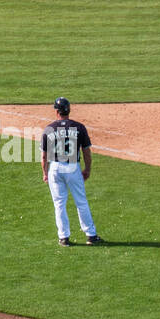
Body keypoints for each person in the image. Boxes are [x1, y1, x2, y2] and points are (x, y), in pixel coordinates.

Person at [42, 97, 102, 247]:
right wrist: (87, 169)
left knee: (59, 204)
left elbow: (44, 156)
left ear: (57, 112)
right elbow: (87, 152)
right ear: (69, 110)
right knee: (81, 202)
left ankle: (63, 237)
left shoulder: (49, 129)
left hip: (55, 168)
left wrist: (44, 172)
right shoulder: (79, 127)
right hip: (73, 167)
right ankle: (91, 235)